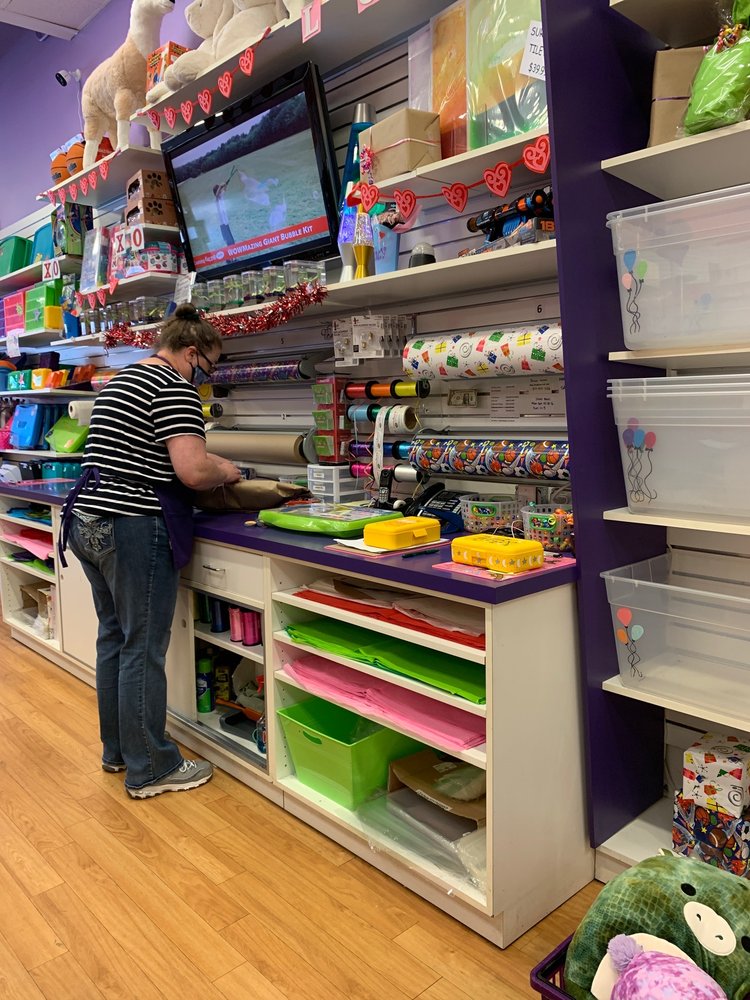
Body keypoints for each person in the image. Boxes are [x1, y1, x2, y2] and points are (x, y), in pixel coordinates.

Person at [61, 305, 241, 798]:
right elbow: (192, 472)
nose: (205, 378)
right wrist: (226, 471)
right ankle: (152, 768)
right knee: (143, 647)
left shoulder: (122, 380)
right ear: (191, 352)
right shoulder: (174, 388)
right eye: (208, 367)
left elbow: (144, 451)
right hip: (133, 525)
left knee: (115, 639)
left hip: (88, 521)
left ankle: (119, 751)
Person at [213, 179, 235, 245]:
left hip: (226, 222)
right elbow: (217, 195)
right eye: (219, 191)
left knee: (231, 239)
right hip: (222, 224)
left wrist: (225, 185)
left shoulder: (221, 196)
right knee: (228, 240)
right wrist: (220, 186)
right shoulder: (216, 200)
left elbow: (224, 189)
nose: (220, 192)